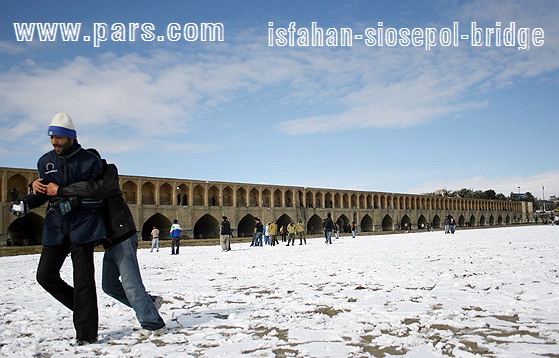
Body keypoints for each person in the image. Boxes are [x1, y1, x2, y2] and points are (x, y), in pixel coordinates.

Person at [34, 150, 167, 337]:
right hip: (110, 241)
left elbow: (92, 191)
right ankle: (149, 303)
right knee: (109, 286)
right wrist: (37, 184)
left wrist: (61, 190)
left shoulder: (105, 180)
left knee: (131, 285)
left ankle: (153, 324)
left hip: (122, 236)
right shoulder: (84, 186)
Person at [11, 113, 104, 345]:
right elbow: (42, 194)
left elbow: (98, 196)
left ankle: (86, 334)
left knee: (83, 280)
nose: (56, 143)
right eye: (53, 139)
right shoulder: (45, 162)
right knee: (45, 275)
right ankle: (82, 307)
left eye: (60, 139)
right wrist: (27, 202)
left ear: (71, 137)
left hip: (83, 226)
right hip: (56, 226)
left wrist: (65, 195)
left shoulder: (89, 161)